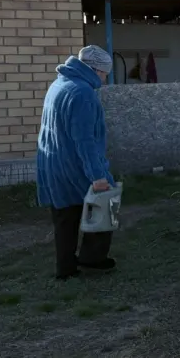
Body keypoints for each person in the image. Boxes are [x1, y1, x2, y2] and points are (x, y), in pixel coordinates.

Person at [36, 45, 116, 280]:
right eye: (104, 74)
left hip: (53, 163)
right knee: (105, 204)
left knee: (65, 217)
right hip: (74, 164)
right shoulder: (82, 93)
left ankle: (66, 268)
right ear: (94, 70)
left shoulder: (59, 83)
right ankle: (93, 259)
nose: (103, 79)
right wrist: (98, 176)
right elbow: (85, 140)